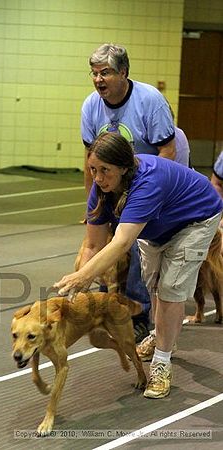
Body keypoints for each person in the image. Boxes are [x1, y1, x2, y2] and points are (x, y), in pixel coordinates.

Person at [54, 133, 223, 399]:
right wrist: (79, 281)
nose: (97, 178)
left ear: (123, 167)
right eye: (92, 170)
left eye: (105, 171)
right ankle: (161, 334)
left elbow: (120, 243)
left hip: (195, 219)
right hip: (156, 226)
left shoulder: (146, 184)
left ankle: (162, 363)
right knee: (154, 285)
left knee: (170, 289)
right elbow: (92, 245)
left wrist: (83, 277)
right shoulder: (101, 190)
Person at [81, 43, 177, 342]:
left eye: (106, 73)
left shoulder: (150, 100)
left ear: (123, 72)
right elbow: (90, 160)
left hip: (149, 180)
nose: (98, 79)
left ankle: (138, 314)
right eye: (94, 73)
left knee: (134, 245)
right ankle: (104, 305)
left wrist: (148, 197)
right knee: (100, 243)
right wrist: (92, 209)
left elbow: (168, 151)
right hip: (111, 181)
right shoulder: (90, 106)